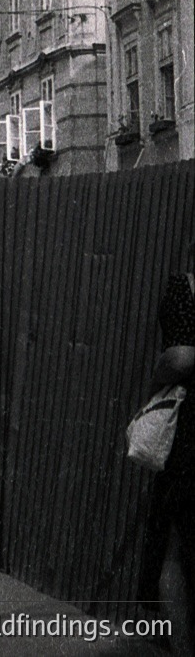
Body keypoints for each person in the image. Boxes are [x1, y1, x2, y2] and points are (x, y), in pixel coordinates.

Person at [139, 257, 195, 651]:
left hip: (190, 440)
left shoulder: (184, 288)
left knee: (175, 545)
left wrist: (157, 380)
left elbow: (179, 358)